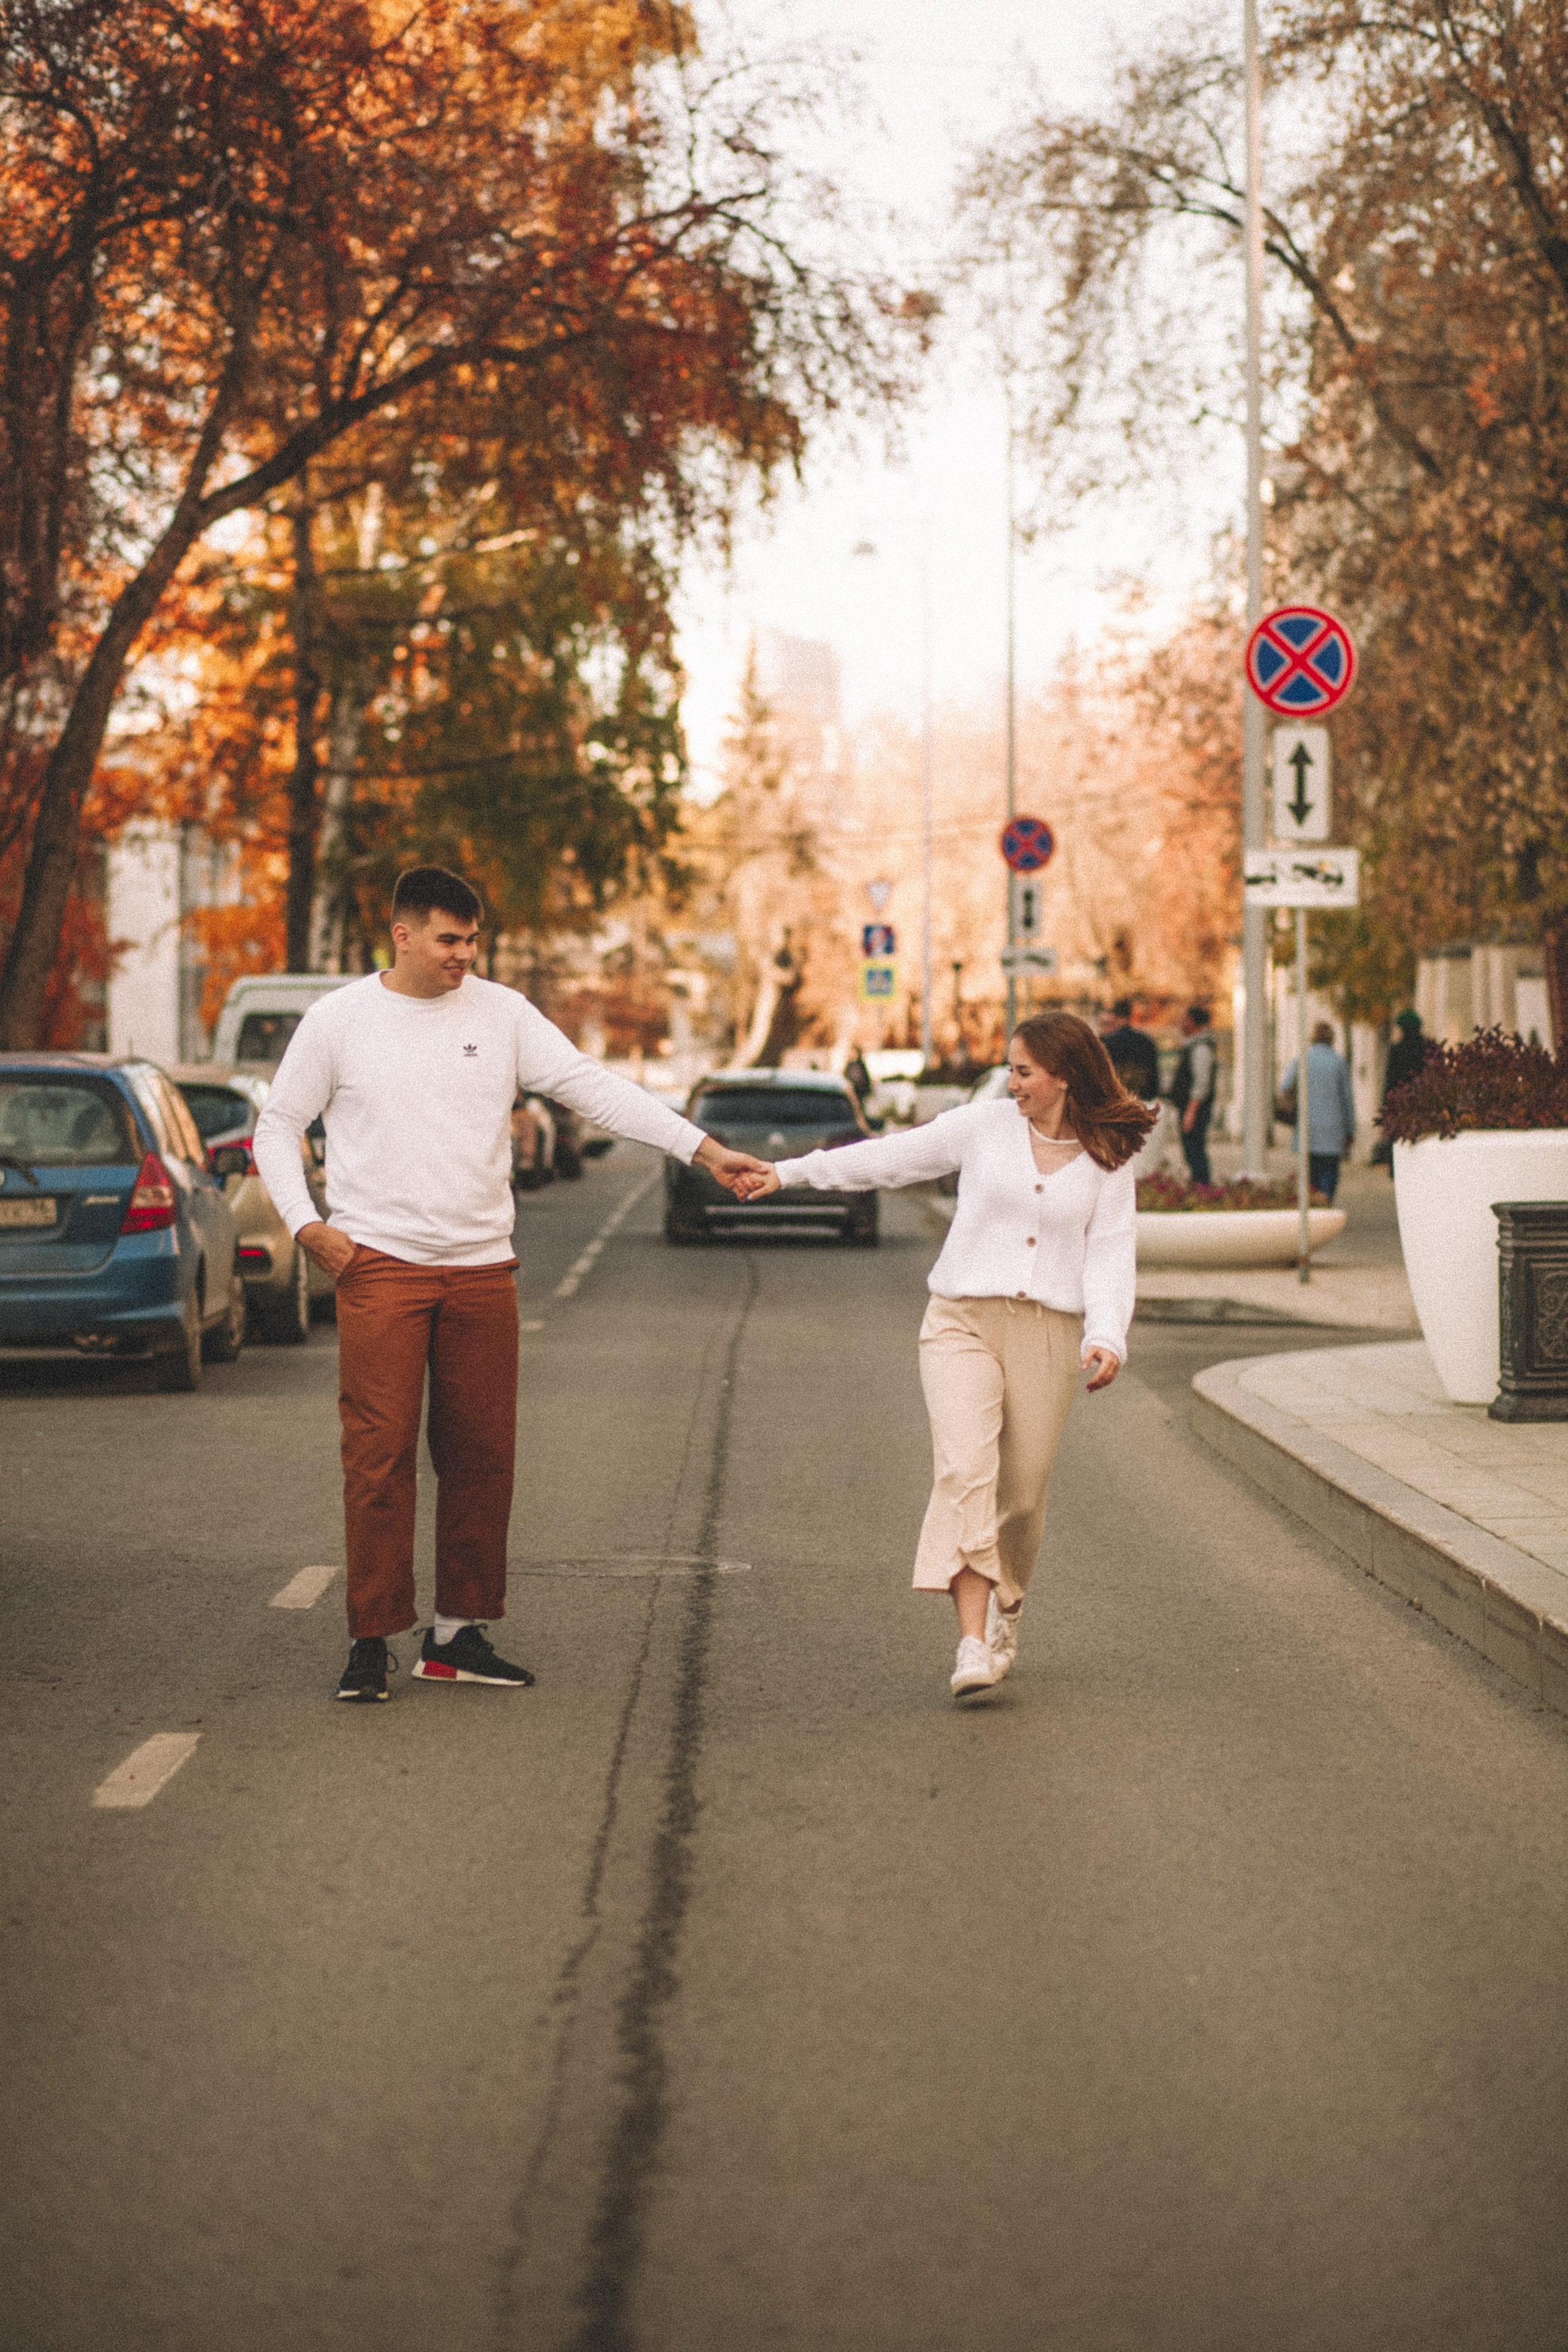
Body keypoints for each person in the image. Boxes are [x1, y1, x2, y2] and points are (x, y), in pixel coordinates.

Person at [253, 865, 768, 1704]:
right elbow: (277, 1127)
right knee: (378, 1459)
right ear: (405, 935)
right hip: (380, 1264)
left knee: (481, 1457)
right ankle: (370, 1639)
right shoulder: (339, 1021)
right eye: (450, 940)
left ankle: (457, 1634)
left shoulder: (502, 1014)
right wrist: (306, 1225)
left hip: (483, 1266)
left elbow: (594, 1089)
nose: (466, 955)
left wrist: (703, 1150)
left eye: (474, 939)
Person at [735, 1011, 1155, 1701]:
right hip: (961, 1321)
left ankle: (1006, 1608)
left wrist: (1106, 1334)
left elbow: (1111, 1250)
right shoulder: (982, 1127)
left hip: (1049, 1334)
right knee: (965, 1470)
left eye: (1023, 1071)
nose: (1012, 1083)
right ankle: (969, 1641)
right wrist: (787, 1174)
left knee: (1021, 1496)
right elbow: (886, 1157)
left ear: (1064, 1075)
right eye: (1011, 1070)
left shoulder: (1110, 1154)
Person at [1278, 1019, 1356, 1203]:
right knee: (1330, 1167)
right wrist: (1350, 1129)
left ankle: (1313, 1201)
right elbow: (1347, 1098)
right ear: (1332, 1039)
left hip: (1308, 1125)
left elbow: (1286, 1085)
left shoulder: (1302, 1060)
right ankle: (1326, 1197)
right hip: (1333, 1126)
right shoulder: (1338, 1062)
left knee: (1311, 1168)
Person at [1168, 1004, 1217, 1185]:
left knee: (1195, 1151)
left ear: (1193, 1022)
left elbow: (1201, 1083)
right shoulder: (1194, 1045)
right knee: (1191, 1151)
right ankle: (1199, 1184)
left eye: (1185, 1020)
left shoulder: (1201, 1048)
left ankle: (1202, 1186)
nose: (1181, 1024)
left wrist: (1191, 1111)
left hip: (1195, 1109)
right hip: (1191, 1108)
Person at [1372, 1009, 1428, 1166]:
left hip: (1401, 1106)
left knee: (1399, 1144)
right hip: (1423, 1106)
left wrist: (1387, 1107)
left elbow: (1390, 1081)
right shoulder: (1427, 1048)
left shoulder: (1397, 1050)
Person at [1098, 998, 1161, 1101]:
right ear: (1131, 1015)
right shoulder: (1147, 1042)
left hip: (1116, 1100)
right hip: (1141, 1099)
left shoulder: (1108, 1043)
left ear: (1114, 1016)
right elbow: (1154, 1079)